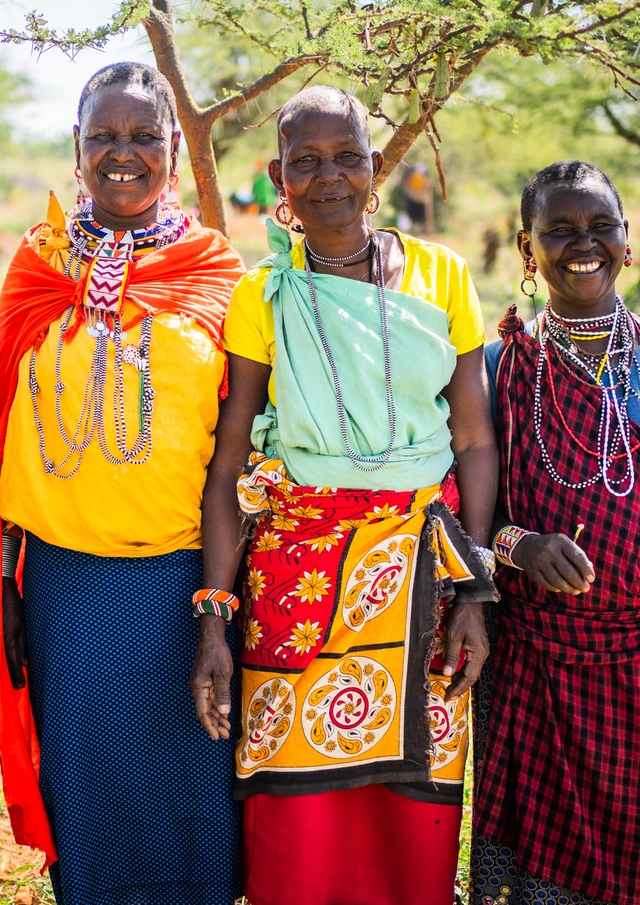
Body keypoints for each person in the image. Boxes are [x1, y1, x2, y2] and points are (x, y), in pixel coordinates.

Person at [191, 86, 500, 905]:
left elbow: (471, 441)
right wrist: (215, 614)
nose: (327, 176)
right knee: (298, 817)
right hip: (298, 579)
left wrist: (475, 592)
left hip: (419, 578)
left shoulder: (441, 274)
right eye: (305, 160)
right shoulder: (262, 294)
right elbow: (227, 465)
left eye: (346, 157)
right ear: (277, 177)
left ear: (374, 168)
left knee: (411, 814)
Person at [0, 61, 246, 905]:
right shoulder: (36, 269)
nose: (123, 154)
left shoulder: (216, 271)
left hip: (185, 582)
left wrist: (218, 606)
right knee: (86, 798)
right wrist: (7, 588)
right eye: (103, 137)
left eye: (142, 136)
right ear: (75, 148)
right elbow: (3, 432)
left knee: (192, 792)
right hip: (62, 583)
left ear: (171, 147)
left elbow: (239, 453)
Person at [470, 160, 640, 905]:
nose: (580, 244)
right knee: (536, 872)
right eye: (557, 230)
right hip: (537, 664)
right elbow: (470, 505)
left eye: (600, 227)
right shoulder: (501, 364)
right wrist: (517, 545)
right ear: (528, 252)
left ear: (626, 243)